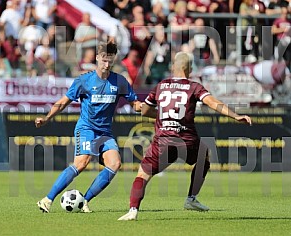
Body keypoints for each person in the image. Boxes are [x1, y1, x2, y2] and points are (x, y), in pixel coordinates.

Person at [118, 52, 252, 221]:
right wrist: (235, 116)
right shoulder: (194, 86)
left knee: (143, 174)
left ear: (174, 67)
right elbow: (212, 103)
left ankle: (133, 210)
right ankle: (191, 198)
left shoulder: (161, 85)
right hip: (186, 140)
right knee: (204, 155)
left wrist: (162, 116)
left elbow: (144, 110)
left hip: (163, 139)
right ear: (189, 69)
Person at [36, 41, 142, 213]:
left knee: (114, 164)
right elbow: (63, 102)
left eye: (110, 61)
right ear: (97, 58)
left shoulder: (120, 82)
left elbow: (135, 102)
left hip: (105, 132)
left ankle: (84, 201)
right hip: (86, 128)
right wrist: (47, 118)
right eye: (104, 60)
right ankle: (47, 199)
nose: (107, 64)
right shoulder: (84, 81)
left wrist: (142, 107)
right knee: (82, 162)